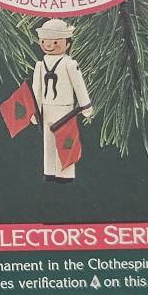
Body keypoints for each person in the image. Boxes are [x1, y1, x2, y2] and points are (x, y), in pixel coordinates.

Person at [31, 19, 92, 183]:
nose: (49, 45)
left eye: (55, 42)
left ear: (67, 43)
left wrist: (85, 105)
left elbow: (79, 85)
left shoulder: (69, 64)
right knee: (48, 140)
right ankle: (49, 170)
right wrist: (34, 109)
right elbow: (36, 88)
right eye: (45, 41)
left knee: (66, 141)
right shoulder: (40, 65)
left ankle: (65, 173)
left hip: (65, 110)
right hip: (46, 108)